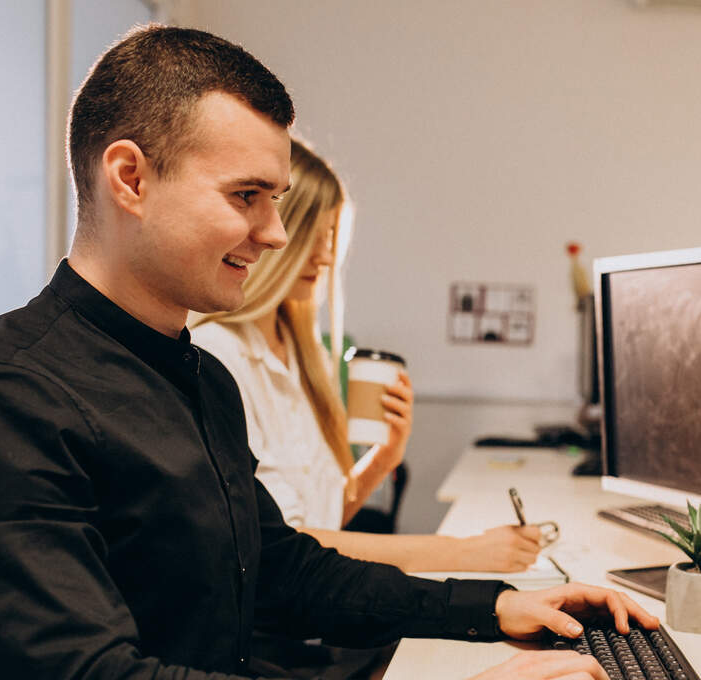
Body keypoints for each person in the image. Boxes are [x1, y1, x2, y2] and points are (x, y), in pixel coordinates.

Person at [0, 24, 655, 680]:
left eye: (277, 202)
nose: (273, 234)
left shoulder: (194, 375)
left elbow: (277, 566)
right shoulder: (1, 401)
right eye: (246, 196)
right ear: (130, 178)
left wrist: (493, 607)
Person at [190, 141, 540, 575]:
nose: (324, 256)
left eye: (331, 238)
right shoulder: (217, 355)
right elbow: (281, 545)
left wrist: (384, 458)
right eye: (309, 236)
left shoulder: (304, 350)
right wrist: (458, 552)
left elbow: (322, 520)